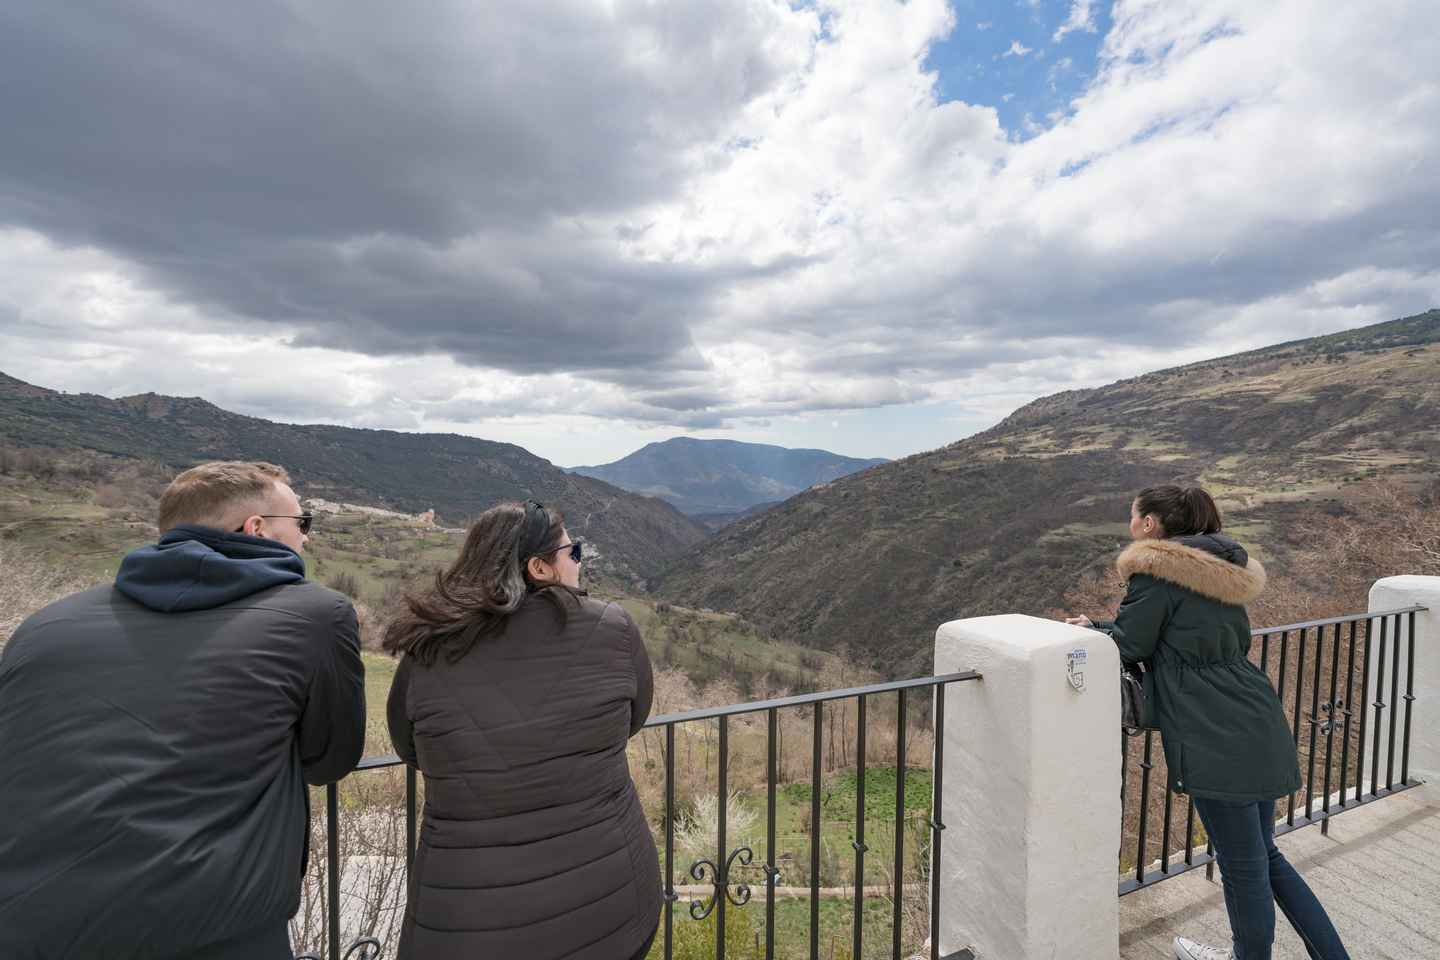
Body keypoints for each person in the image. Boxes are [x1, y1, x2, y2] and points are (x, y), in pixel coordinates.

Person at [0, 461, 366, 960]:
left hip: (31, 922)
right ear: (255, 528)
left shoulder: (45, 625)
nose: (307, 539)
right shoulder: (317, 616)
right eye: (302, 525)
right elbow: (329, 758)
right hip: (219, 925)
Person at [1067, 485, 1348, 960]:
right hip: (1254, 712)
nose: (1130, 523)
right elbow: (1183, 633)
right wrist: (1102, 627)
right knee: (1264, 856)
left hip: (1214, 730)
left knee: (1243, 867)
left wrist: (1094, 631)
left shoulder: (1155, 574)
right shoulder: (1219, 573)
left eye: (1134, 515)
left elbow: (1132, 644)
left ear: (1151, 524)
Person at [385, 499, 660, 960]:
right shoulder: (612, 627)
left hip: (465, 920)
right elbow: (634, 717)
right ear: (540, 567)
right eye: (573, 552)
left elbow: (408, 745)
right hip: (611, 900)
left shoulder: (428, 649)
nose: (578, 562)